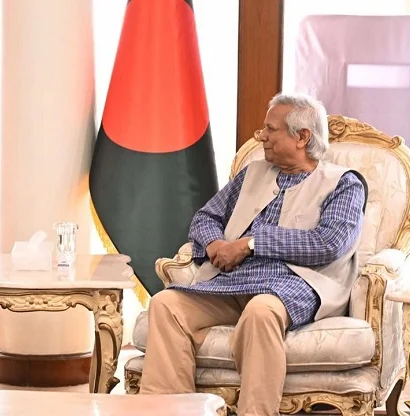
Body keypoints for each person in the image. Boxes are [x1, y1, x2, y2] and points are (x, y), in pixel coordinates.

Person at [139, 93, 367, 415]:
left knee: (261, 311)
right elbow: (206, 218)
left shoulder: (343, 184)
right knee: (166, 304)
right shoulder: (253, 172)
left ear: (302, 137)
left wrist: (250, 243)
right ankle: (168, 411)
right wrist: (216, 245)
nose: (262, 136)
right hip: (231, 281)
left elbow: (330, 243)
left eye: (270, 129)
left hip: (292, 286)